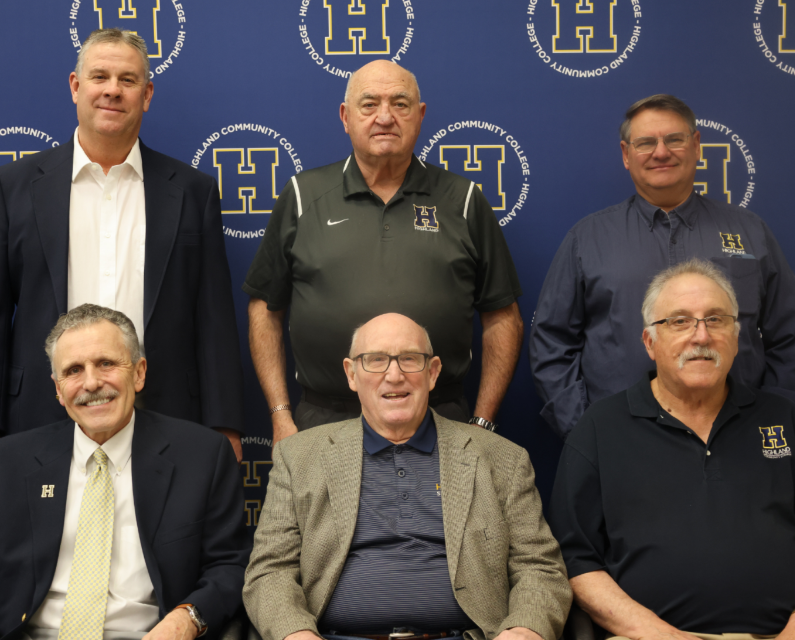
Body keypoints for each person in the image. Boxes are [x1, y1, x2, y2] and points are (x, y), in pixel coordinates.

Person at [244, 60, 523, 444]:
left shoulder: (464, 200)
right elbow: (264, 309)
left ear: (420, 116)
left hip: (441, 423)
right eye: (370, 104)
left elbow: (503, 318)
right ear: (346, 117)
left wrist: (483, 423)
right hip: (324, 424)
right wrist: (280, 415)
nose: (385, 117)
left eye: (400, 104)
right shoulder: (302, 196)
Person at [243, 312, 570, 640]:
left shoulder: (503, 459)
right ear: (352, 374)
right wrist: (295, 634)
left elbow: (539, 567)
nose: (394, 375)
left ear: (433, 372)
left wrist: (524, 630)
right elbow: (270, 570)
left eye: (410, 359)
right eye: (376, 360)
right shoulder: (298, 457)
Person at [0, 28, 244, 459]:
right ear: (76, 86)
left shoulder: (193, 191)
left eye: (127, 80)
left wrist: (224, 425)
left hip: (165, 412)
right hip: (41, 410)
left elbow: (214, 319)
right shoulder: (14, 186)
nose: (112, 90)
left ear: (146, 94)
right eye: (99, 77)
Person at [548, 259, 795, 639]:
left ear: (736, 337)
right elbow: (574, 558)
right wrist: (661, 635)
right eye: (680, 322)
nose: (701, 336)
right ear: (650, 342)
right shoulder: (600, 427)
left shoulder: (785, 419)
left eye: (715, 319)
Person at [529, 94, 795, 438]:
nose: (661, 152)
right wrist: (588, 432)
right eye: (646, 143)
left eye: (674, 139)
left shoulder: (750, 232)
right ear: (626, 154)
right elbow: (551, 343)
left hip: (738, 439)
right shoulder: (588, 239)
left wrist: (773, 422)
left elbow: (791, 337)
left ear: (696, 145)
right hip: (622, 443)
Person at [0, 304, 250, 640]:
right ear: (58, 389)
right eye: (74, 370)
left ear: (139, 372)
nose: (91, 383)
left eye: (106, 363)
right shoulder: (10, 462)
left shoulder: (202, 456)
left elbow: (231, 565)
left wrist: (186, 619)